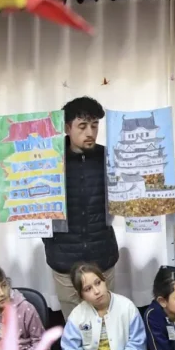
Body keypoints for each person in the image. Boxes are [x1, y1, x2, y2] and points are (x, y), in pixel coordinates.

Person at [42, 96, 119, 314]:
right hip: (64, 260)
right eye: (82, 126)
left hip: (103, 256)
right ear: (67, 127)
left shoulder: (110, 157)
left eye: (94, 126)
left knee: (107, 321)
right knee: (76, 327)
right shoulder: (48, 161)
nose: (90, 133)